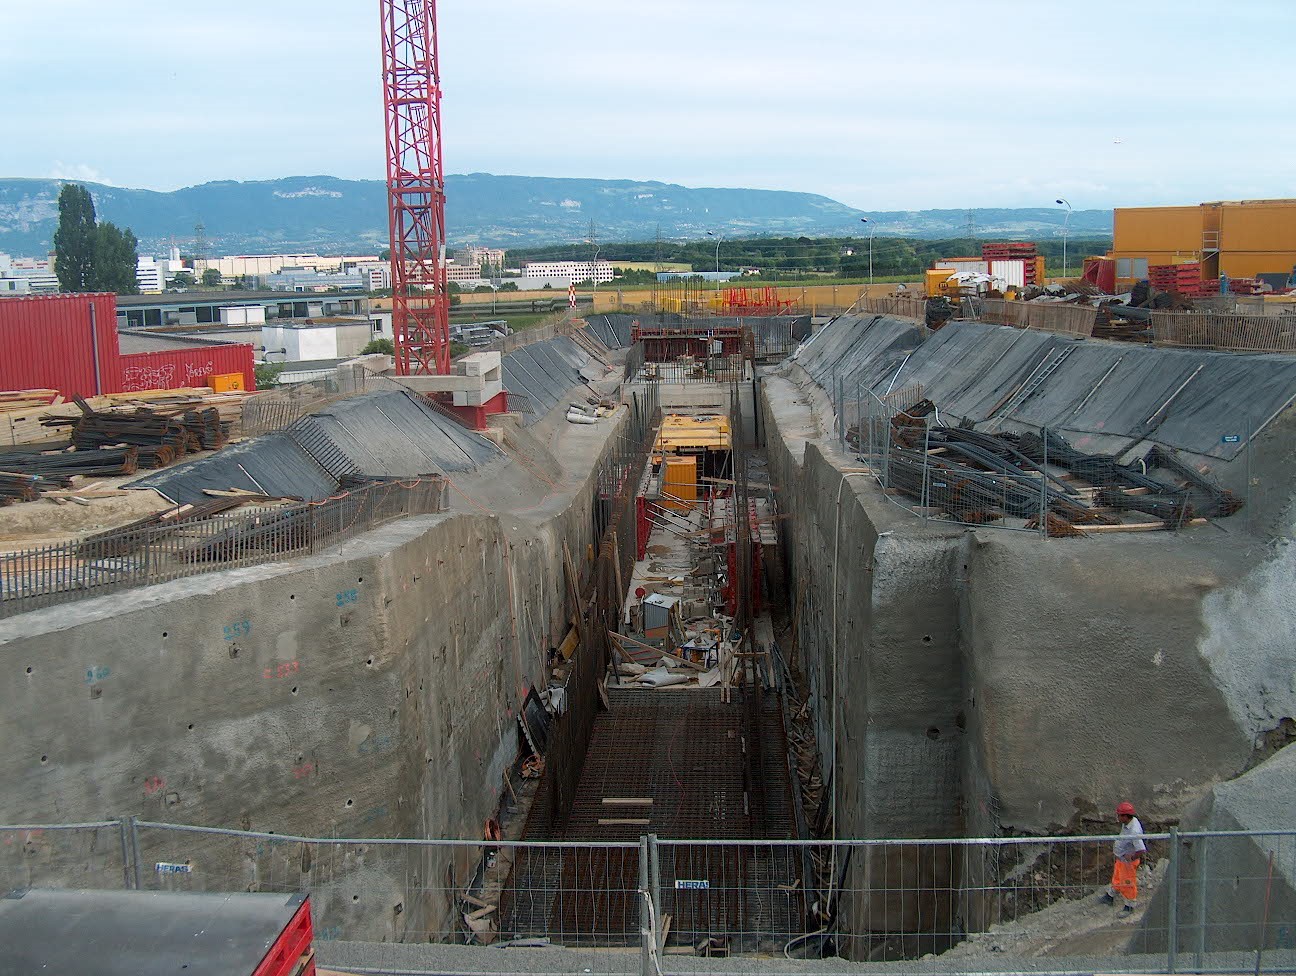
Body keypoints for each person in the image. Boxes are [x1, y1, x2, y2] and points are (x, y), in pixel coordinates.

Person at [1100, 800, 1146, 913]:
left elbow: (1141, 849)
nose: (1118, 818)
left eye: (1119, 815)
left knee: (1127, 883)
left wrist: (1132, 858)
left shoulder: (1134, 831)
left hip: (1128, 861)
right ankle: (1110, 896)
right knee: (1117, 877)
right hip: (1122, 859)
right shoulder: (1127, 824)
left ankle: (1129, 906)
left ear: (1126, 816)